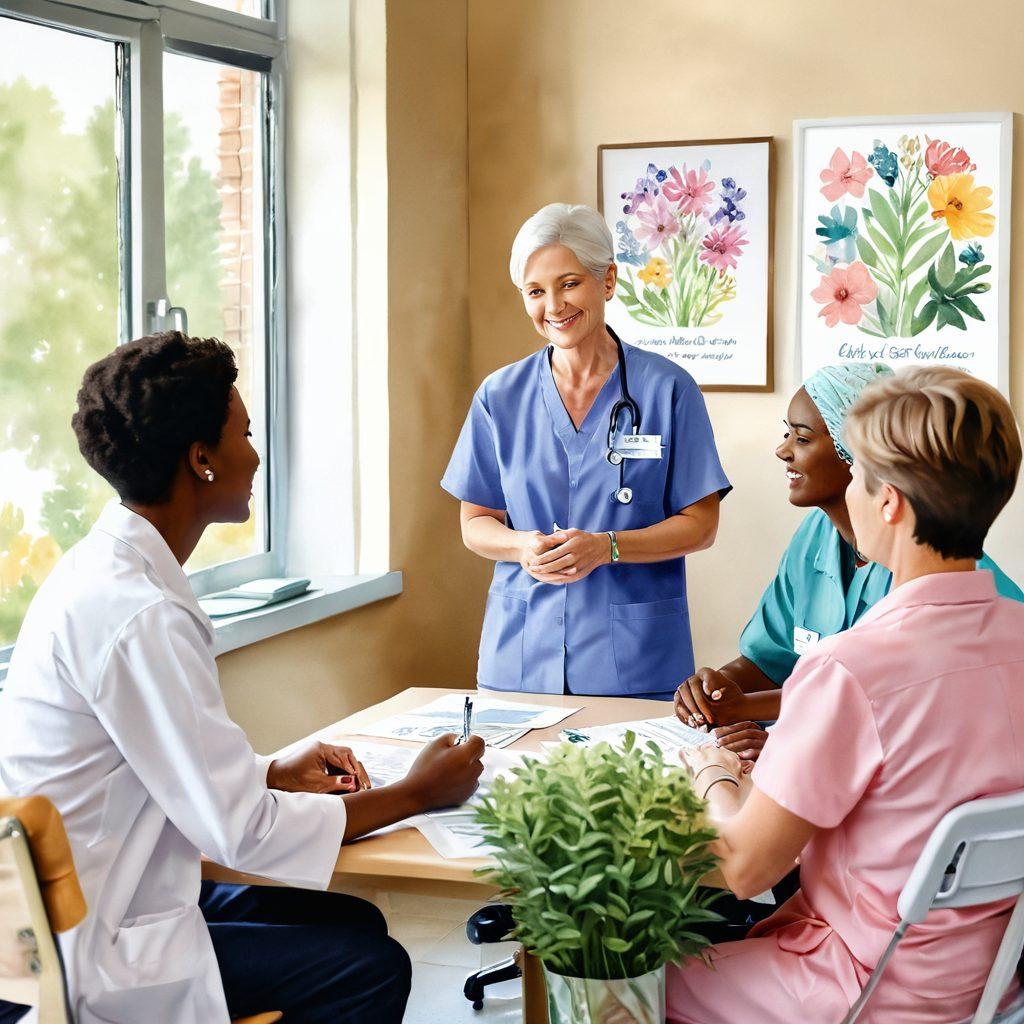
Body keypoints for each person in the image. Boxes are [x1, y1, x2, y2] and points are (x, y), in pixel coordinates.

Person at [0, 332, 486, 1024]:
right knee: (371, 967)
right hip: (96, 947)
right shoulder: (140, 614)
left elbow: (154, 764)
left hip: (109, 897)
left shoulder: (104, 570)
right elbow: (242, 833)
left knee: (352, 922)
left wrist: (271, 770)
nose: (256, 455)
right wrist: (418, 793)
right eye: (246, 434)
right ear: (201, 460)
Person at [668, 366, 1024, 1023]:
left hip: (864, 987)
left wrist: (714, 775)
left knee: (629, 980)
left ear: (888, 502)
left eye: (857, 474)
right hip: (990, 984)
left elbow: (744, 868)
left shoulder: (847, 669)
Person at [442, 203, 731, 699]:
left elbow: (701, 525)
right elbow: (476, 522)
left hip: (635, 664)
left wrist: (608, 547)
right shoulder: (499, 396)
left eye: (569, 283)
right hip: (520, 659)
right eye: (536, 291)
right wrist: (522, 546)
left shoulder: (668, 389)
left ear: (608, 280)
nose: (554, 306)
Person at [675, 362, 1022, 759]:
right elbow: (773, 658)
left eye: (802, 438)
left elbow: (886, 710)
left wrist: (763, 750)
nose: (783, 450)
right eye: (787, 433)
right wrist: (717, 693)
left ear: (859, 458)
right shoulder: (816, 537)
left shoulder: (945, 593)